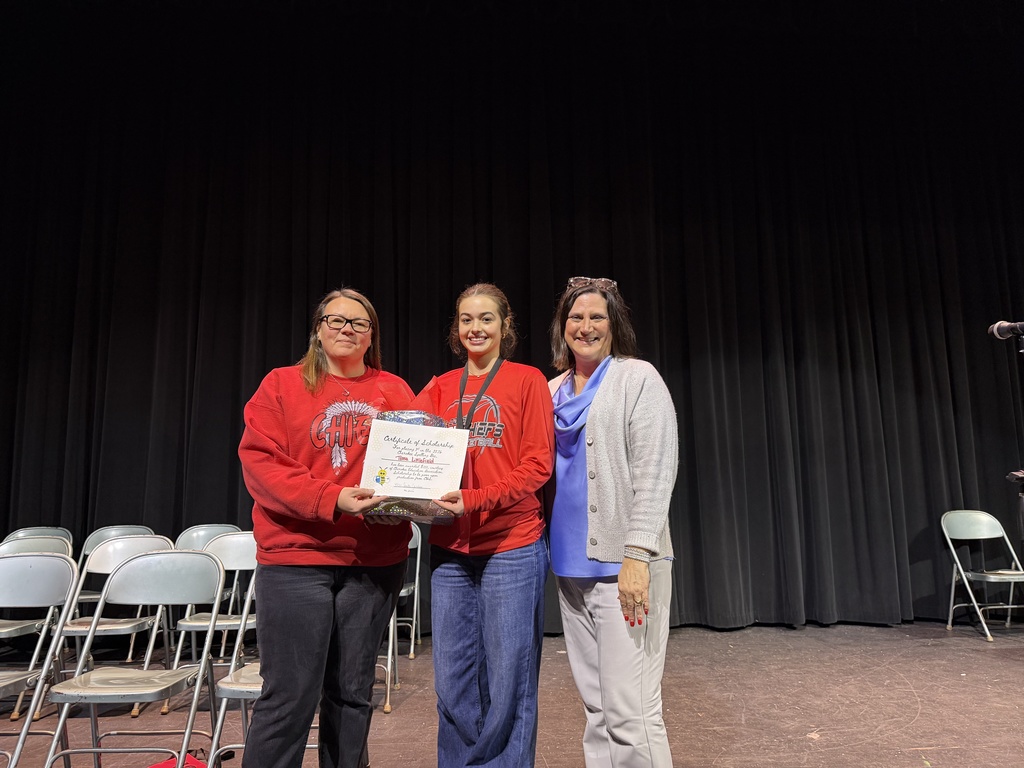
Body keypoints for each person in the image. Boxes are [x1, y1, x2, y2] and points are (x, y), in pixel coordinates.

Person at [237, 288, 415, 768]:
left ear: (371, 336)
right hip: (296, 561)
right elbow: (262, 467)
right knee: (289, 696)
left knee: (352, 693)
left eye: (359, 323)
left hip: (374, 561)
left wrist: (410, 500)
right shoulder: (281, 385)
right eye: (336, 320)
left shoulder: (395, 390)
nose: (346, 329)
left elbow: (416, 462)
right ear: (318, 329)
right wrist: (332, 498)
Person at [412, 282, 554, 768]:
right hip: (451, 550)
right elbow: (407, 448)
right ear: (456, 328)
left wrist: (473, 500)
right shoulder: (438, 388)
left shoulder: (527, 381)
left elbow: (537, 465)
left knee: (508, 680)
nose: (476, 328)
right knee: (452, 681)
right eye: (466, 319)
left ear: (505, 325)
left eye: (486, 318)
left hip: (511, 545)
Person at [547, 276, 678, 767]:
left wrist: (637, 556)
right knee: (598, 711)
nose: (586, 326)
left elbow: (656, 471)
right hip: (570, 569)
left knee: (631, 711)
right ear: (563, 326)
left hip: (625, 566)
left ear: (613, 323)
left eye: (596, 317)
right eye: (576, 317)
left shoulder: (637, 378)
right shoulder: (551, 389)